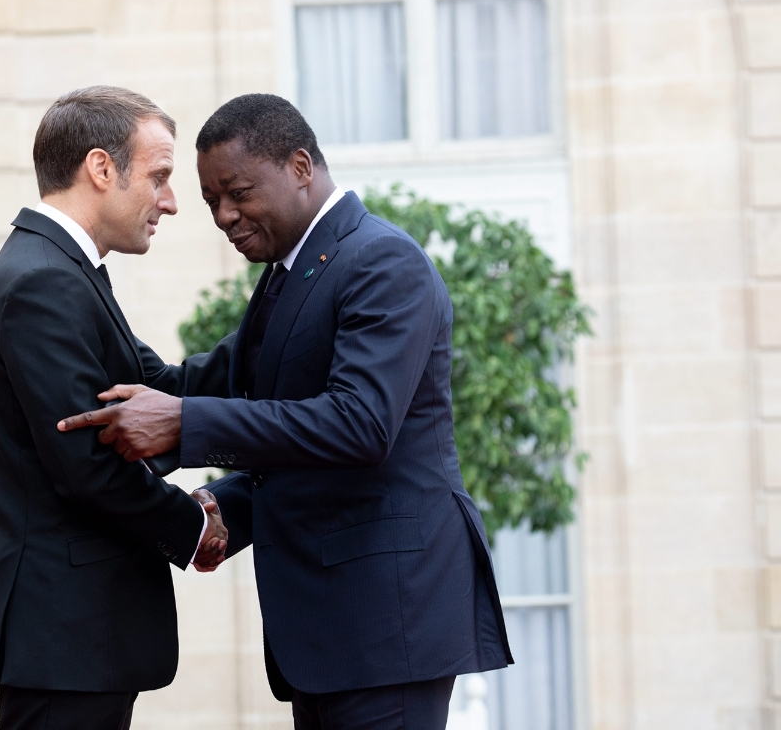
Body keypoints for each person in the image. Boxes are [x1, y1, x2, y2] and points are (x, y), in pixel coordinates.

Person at [59, 94, 514, 730]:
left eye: (238, 192)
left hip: (387, 630)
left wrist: (187, 424)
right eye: (213, 198)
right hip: (333, 635)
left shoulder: (383, 262)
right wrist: (223, 507)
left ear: (301, 166)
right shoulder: (288, 272)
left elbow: (359, 426)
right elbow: (256, 415)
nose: (223, 215)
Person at [0, 86, 229, 730]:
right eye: (160, 177)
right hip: (65, 632)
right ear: (102, 168)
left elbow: (163, 386)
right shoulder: (42, 281)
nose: (170, 201)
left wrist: (278, 324)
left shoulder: (62, 269)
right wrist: (192, 526)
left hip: (78, 636)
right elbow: (86, 462)